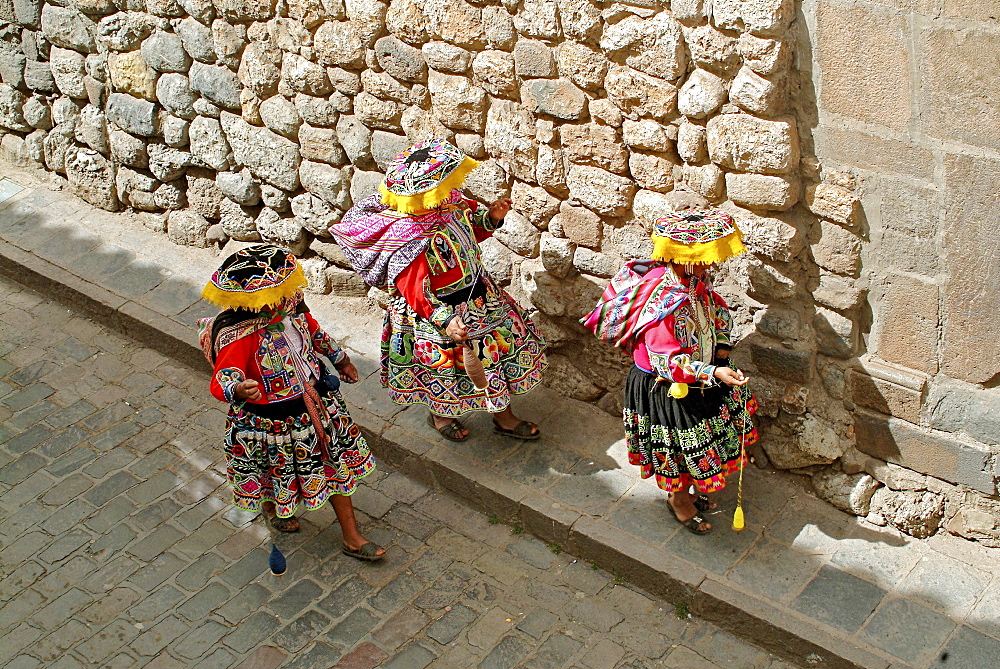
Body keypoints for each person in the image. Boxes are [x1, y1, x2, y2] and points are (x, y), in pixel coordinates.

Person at [329, 139, 547, 442]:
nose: (450, 188)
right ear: (426, 193)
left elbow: (472, 229)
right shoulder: (410, 237)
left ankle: (504, 417)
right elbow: (415, 289)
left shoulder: (452, 206)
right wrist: (444, 319)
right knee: (440, 370)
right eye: (443, 184)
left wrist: (492, 218)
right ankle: (441, 415)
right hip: (436, 313)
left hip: (479, 299)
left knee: (490, 360)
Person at [199, 244, 385, 560]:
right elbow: (223, 377)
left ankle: (352, 536)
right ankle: (274, 509)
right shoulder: (239, 335)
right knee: (271, 471)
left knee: (334, 467)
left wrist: (340, 361)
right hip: (270, 423)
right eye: (273, 295)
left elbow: (316, 334)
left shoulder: (293, 311)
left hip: (316, 408)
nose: (282, 300)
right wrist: (240, 389)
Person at [583, 211, 758, 534]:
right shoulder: (660, 302)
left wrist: (721, 348)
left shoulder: (693, 284)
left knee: (703, 441)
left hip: (702, 378)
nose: (709, 266)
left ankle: (691, 490)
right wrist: (714, 373)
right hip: (667, 388)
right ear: (683, 259)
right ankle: (678, 500)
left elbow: (717, 310)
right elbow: (666, 362)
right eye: (703, 259)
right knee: (680, 450)